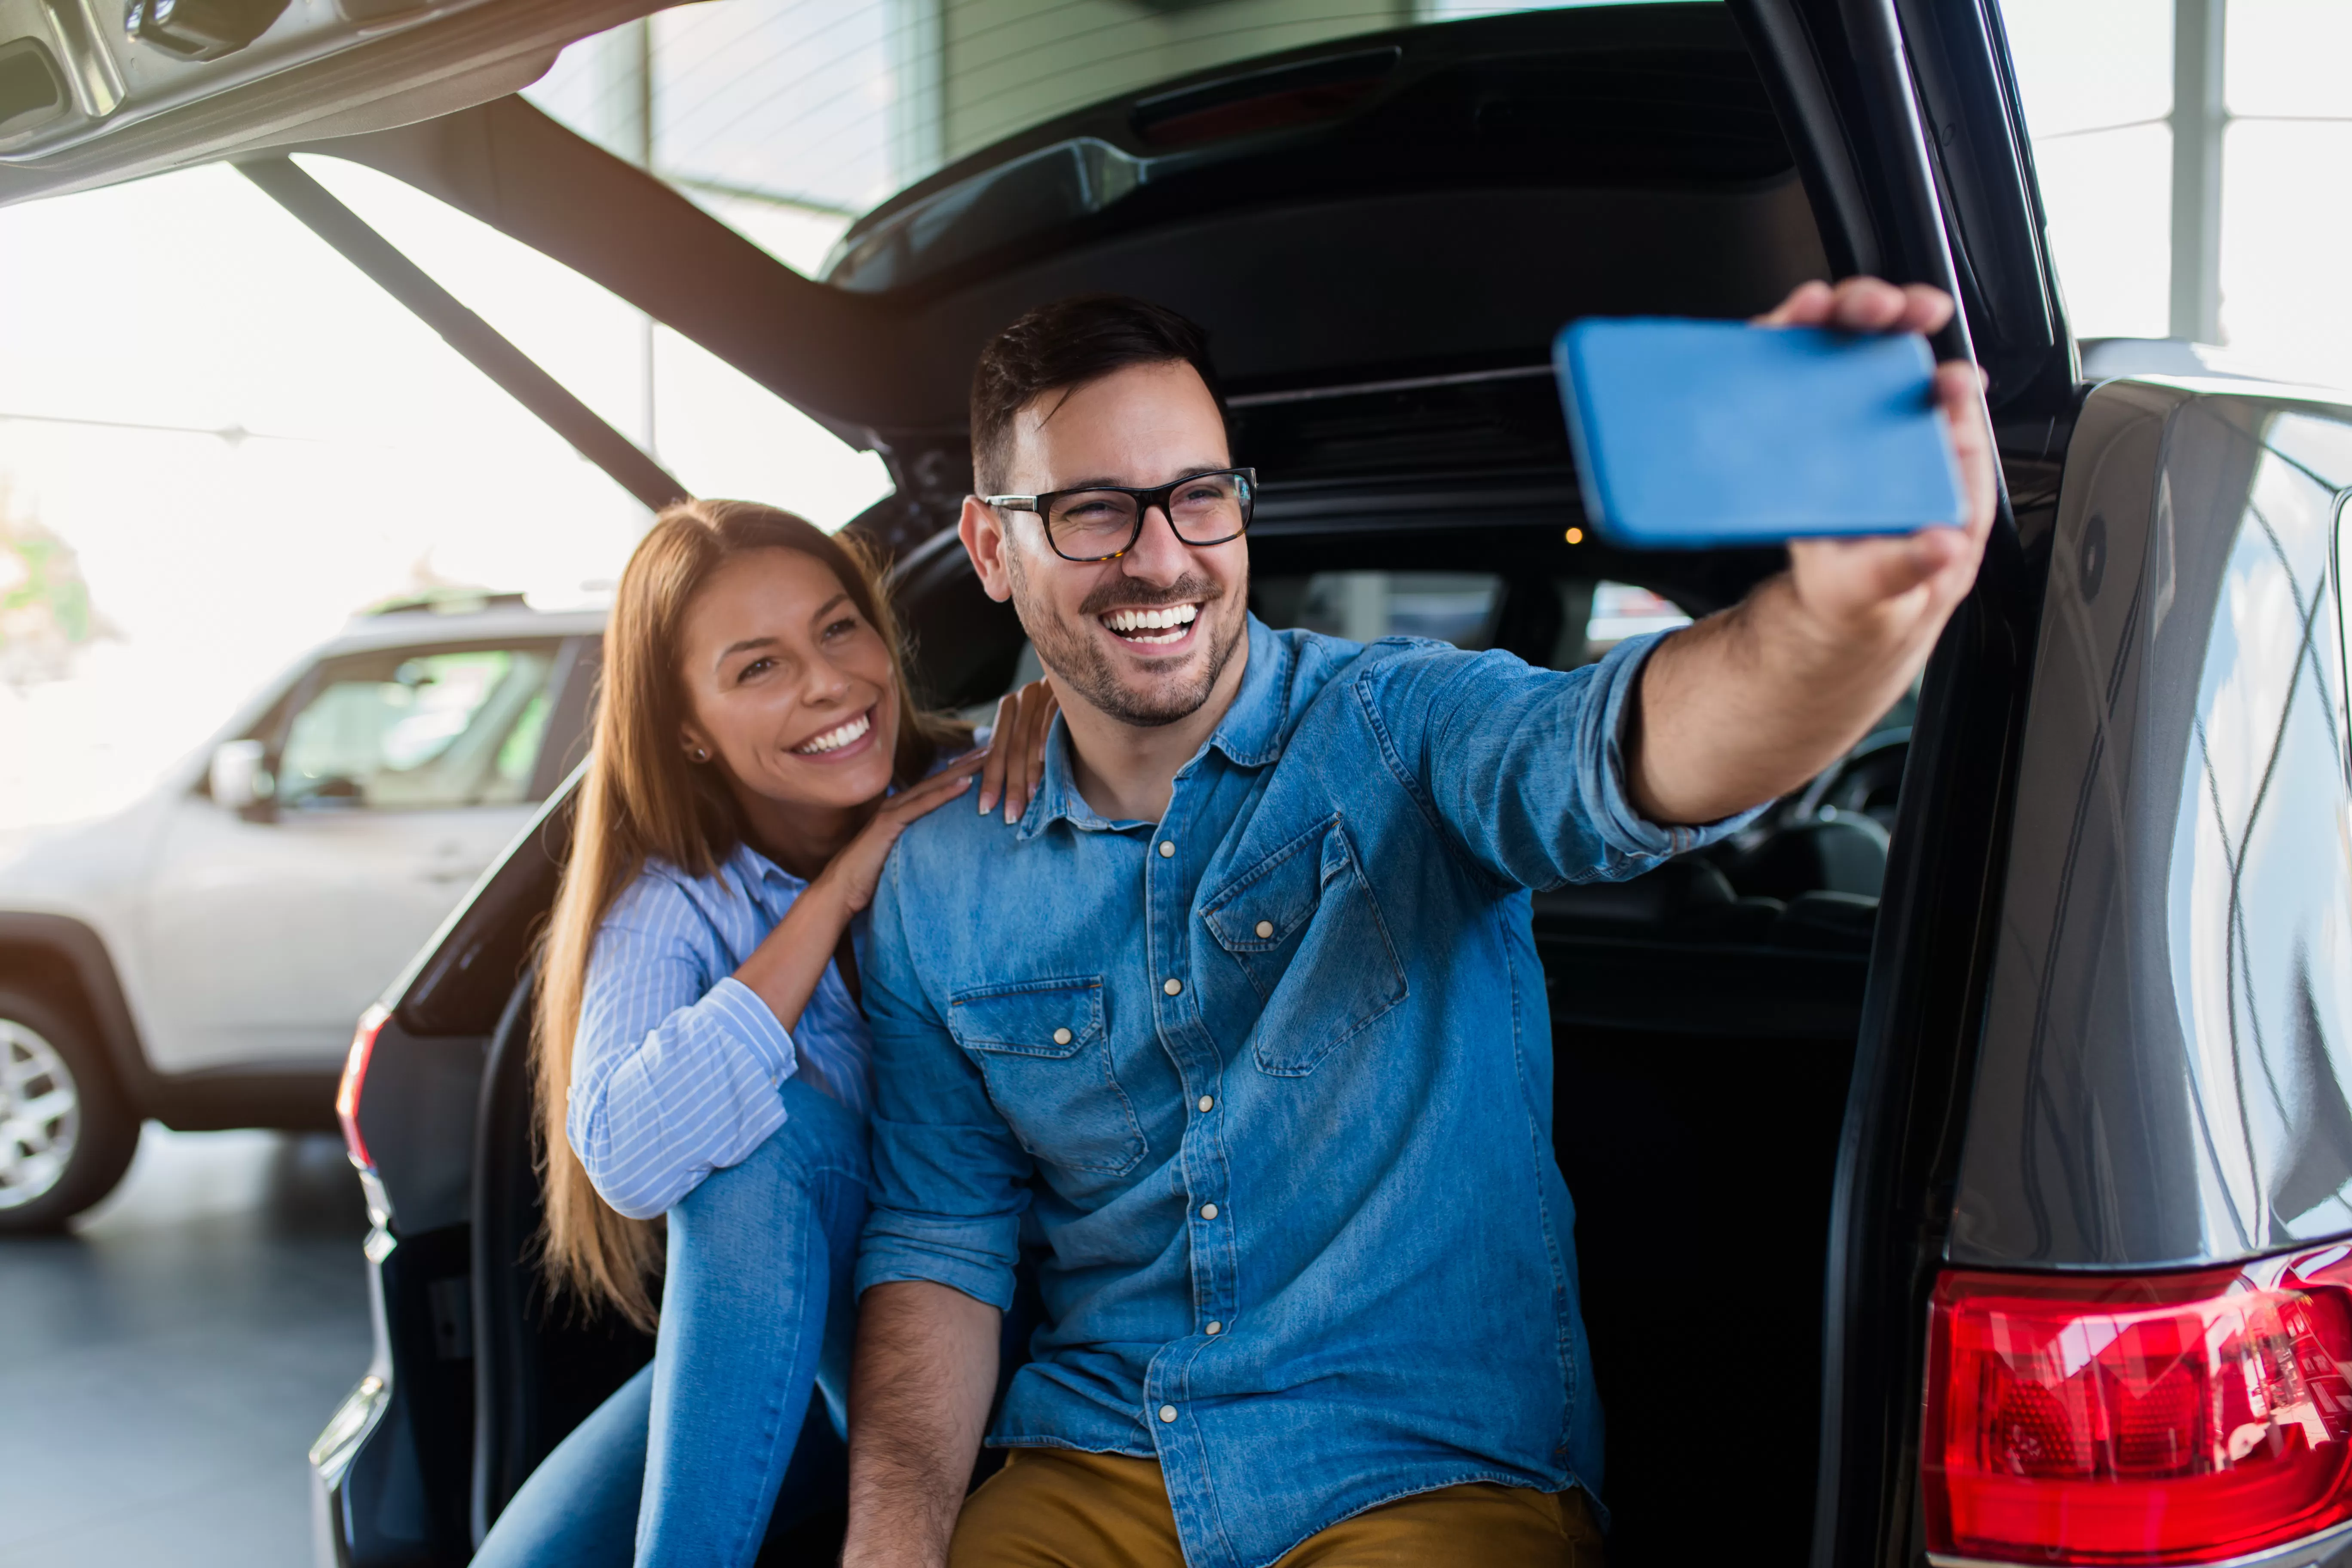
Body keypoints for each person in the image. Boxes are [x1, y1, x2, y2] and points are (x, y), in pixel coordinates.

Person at [840, 280, 1994, 1568]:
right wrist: (891, 1543)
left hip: (1426, 1468)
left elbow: (1622, 755)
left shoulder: (1402, 727)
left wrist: (1839, 620)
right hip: (1102, 1458)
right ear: (992, 550)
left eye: (1199, 497)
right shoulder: (938, 887)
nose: (1161, 557)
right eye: (1092, 511)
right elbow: (940, 1239)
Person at [472, 499, 1058, 1568]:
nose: (831, 684)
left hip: (1005, 1318)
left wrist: (1080, 718)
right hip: (809, 1322)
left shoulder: (997, 784)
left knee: (763, 1131)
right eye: (759, 667)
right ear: (686, 724)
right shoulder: (669, 903)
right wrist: (836, 890)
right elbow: (632, 1155)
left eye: (839, 629)